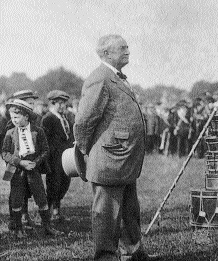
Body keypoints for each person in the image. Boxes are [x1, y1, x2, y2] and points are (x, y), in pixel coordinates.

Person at [74, 34, 155, 260]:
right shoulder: (100, 78)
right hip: (110, 159)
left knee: (130, 211)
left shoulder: (115, 77)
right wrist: (84, 150)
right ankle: (107, 257)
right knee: (107, 215)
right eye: (123, 48)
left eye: (128, 47)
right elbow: (83, 121)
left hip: (123, 159)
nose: (128, 51)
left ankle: (133, 252)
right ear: (106, 53)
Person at [2, 99, 62, 238]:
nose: (14, 120)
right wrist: (19, 162)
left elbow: (45, 150)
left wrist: (36, 162)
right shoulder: (10, 133)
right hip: (17, 171)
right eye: (12, 117)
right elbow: (5, 153)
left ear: (26, 116)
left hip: (33, 170)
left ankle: (47, 227)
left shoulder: (38, 131)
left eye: (17, 117)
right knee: (17, 199)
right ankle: (18, 228)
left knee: (41, 197)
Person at [41, 90, 74, 221]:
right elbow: (44, 140)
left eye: (63, 104)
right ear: (52, 104)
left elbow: (69, 136)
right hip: (53, 158)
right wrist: (46, 159)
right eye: (58, 104)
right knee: (53, 184)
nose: (61, 106)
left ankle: (57, 208)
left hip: (66, 158)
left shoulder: (65, 119)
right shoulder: (48, 119)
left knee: (64, 183)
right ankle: (49, 211)